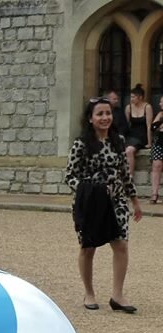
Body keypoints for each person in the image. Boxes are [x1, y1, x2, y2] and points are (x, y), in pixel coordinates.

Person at [65, 96, 142, 313]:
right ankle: (89, 292)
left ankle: (117, 295)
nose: (105, 117)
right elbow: (69, 176)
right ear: (90, 118)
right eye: (99, 114)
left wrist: (135, 201)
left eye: (108, 113)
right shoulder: (81, 144)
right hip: (90, 204)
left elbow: (125, 174)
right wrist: (90, 191)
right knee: (88, 248)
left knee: (121, 245)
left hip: (117, 201)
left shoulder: (118, 140)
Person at [124, 84, 152, 177]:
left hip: (142, 135)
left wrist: (149, 143)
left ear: (140, 97)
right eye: (131, 97)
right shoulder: (129, 108)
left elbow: (149, 126)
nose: (131, 99)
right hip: (131, 134)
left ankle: (130, 177)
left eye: (133, 97)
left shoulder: (147, 107)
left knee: (129, 150)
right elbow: (127, 125)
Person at [149, 96, 163, 203]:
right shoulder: (160, 114)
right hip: (159, 143)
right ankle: (154, 193)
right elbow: (153, 127)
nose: (160, 104)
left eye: (162, 102)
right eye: (160, 102)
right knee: (156, 166)